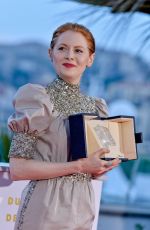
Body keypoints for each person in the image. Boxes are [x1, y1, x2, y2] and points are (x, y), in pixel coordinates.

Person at [8, 22, 121, 230]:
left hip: (84, 208)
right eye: (62, 48)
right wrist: (80, 166)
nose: (70, 55)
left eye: (78, 50)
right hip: (44, 210)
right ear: (51, 54)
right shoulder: (36, 99)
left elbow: (93, 171)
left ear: (90, 59)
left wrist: (102, 166)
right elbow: (17, 169)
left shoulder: (97, 107)